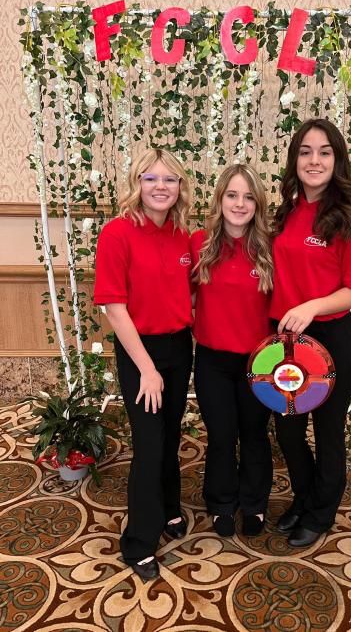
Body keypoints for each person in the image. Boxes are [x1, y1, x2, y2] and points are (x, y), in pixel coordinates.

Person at [271, 118, 351, 548]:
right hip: (286, 342)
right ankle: (304, 497)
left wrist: (310, 306)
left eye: (324, 152)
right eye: (306, 152)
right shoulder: (286, 212)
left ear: (337, 160)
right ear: (295, 160)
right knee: (288, 430)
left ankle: (321, 512)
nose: (314, 160)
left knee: (328, 430)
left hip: (333, 340)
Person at [94, 148, 193, 581]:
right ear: (137, 184)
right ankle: (138, 541)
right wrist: (147, 369)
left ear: (180, 186)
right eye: (150, 178)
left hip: (179, 347)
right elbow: (115, 309)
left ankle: (170, 507)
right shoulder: (116, 233)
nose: (160, 186)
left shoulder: (182, 234)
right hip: (140, 352)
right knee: (150, 445)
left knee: (170, 434)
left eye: (169, 179)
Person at [190, 164, 274, 538]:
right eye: (232, 195)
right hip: (212, 361)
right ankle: (221, 501)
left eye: (248, 197)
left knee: (254, 434)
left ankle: (254, 502)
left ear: (258, 204)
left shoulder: (269, 249)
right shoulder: (199, 244)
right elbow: (181, 294)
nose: (240, 204)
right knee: (222, 435)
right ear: (220, 199)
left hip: (259, 362)